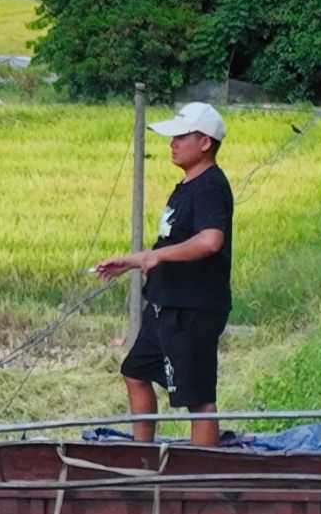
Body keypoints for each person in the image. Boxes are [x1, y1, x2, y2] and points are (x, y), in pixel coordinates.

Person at [96, 100, 233, 447]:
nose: (172, 144)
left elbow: (210, 240)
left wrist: (156, 257)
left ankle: (201, 480)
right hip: (164, 306)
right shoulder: (187, 185)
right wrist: (131, 261)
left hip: (192, 309)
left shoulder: (210, 186)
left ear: (205, 143)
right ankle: (141, 455)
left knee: (198, 397)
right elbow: (165, 245)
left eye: (180, 137)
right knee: (135, 372)